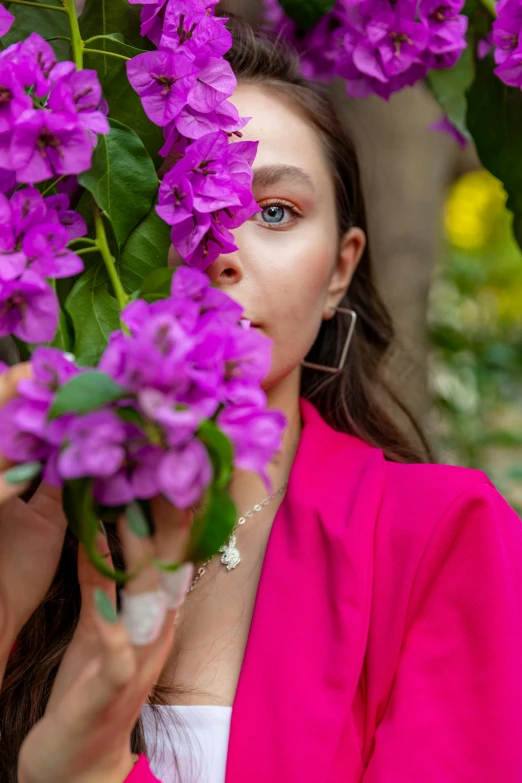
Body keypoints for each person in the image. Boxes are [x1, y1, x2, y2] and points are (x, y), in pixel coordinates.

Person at [1, 15, 522, 783]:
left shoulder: (441, 533)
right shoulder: (32, 523)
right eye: (178, 200)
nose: (224, 252)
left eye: (275, 212)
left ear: (341, 270)